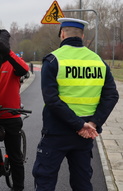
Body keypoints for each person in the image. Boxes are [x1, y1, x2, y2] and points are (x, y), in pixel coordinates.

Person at [32, 18, 119, 191]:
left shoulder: (53, 60)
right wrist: (92, 124)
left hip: (56, 132)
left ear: (62, 34)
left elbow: (52, 100)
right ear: (83, 36)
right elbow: (112, 95)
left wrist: (78, 124)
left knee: (45, 181)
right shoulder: (98, 61)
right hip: (85, 135)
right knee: (82, 183)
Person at [0, 29, 30, 191]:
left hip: (10, 115)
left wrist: (8, 53)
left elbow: (24, 70)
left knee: (15, 156)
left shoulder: (12, 61)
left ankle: (18, 187)